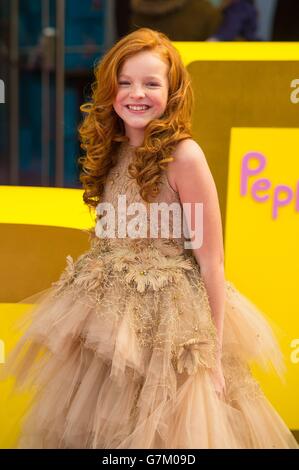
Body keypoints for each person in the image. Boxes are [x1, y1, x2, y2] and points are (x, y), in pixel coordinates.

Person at [1, 28, 298, 449]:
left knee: (166, 435)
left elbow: (212, 261)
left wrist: (212, 356)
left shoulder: (184, 156)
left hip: (171, 325)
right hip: (108, 321)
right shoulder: (113, 148)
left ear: (172, 92)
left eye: (151, 83)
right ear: (110, 89)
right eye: (125, 82)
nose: (136, 93)